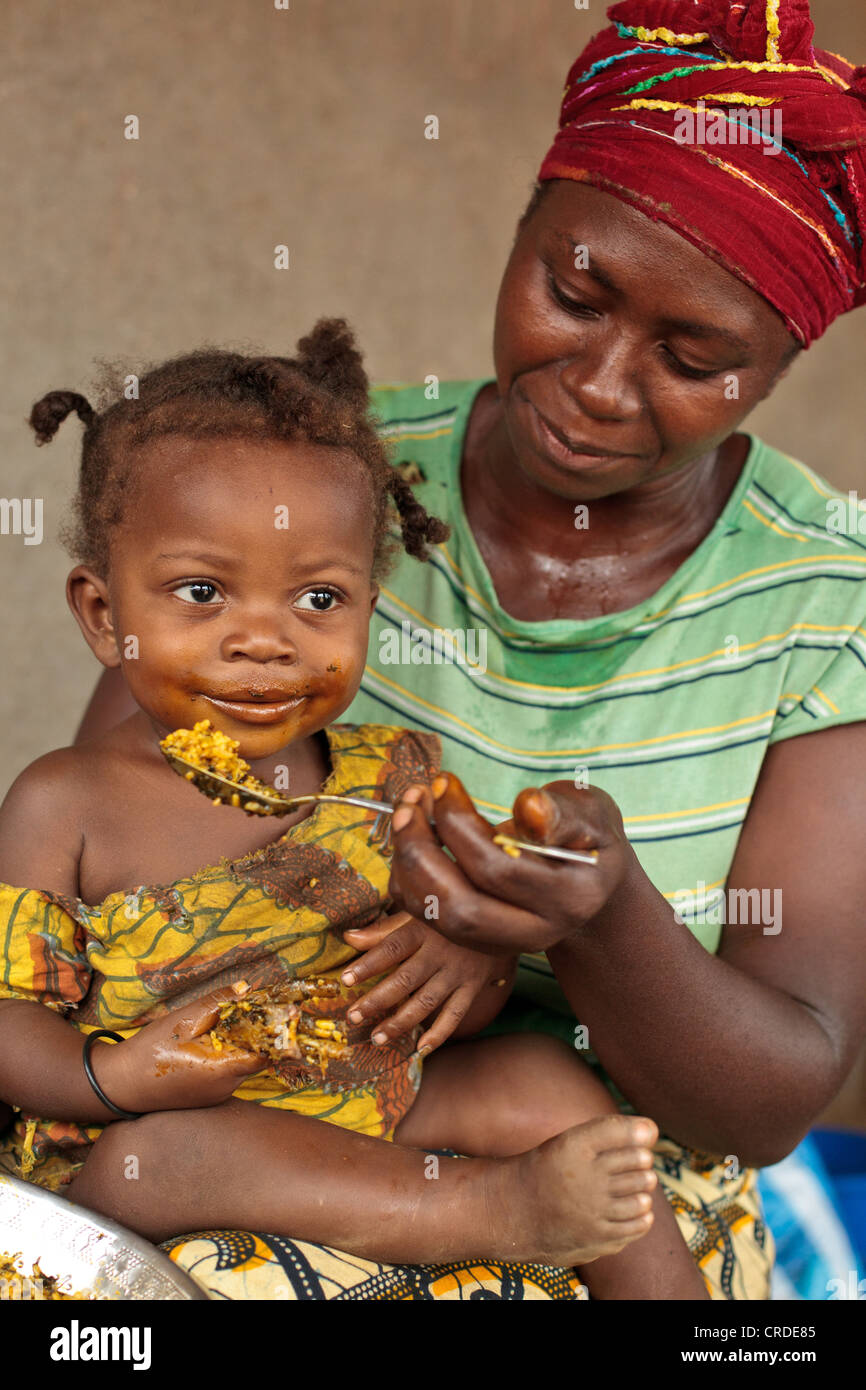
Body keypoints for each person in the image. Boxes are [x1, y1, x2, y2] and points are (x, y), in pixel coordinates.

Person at [70, 0, 866, 1301]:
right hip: (261, 1101)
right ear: (523, 229)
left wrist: (604, 926)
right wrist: (411, 902)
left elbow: (771, 1095)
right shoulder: (319, 479)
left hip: (617, 1193)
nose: (602, 381)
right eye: (573, 293)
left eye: (692, 357)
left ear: (775, 367)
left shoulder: (825, 598)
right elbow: (120, 831)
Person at [0, 317, 706, 1302]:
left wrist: (469, 950)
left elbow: (465, 991)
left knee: (545, 1088)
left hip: (371, 1101)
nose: (263, 640)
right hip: (165, 1129)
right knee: (144, 1169)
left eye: (318, 600)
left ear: (369, 603)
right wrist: (117, 1077)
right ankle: (484, 1210)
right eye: (202, 592)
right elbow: (9, 1024)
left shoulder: (392, 777)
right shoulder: (62, 802)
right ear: (104, 614)